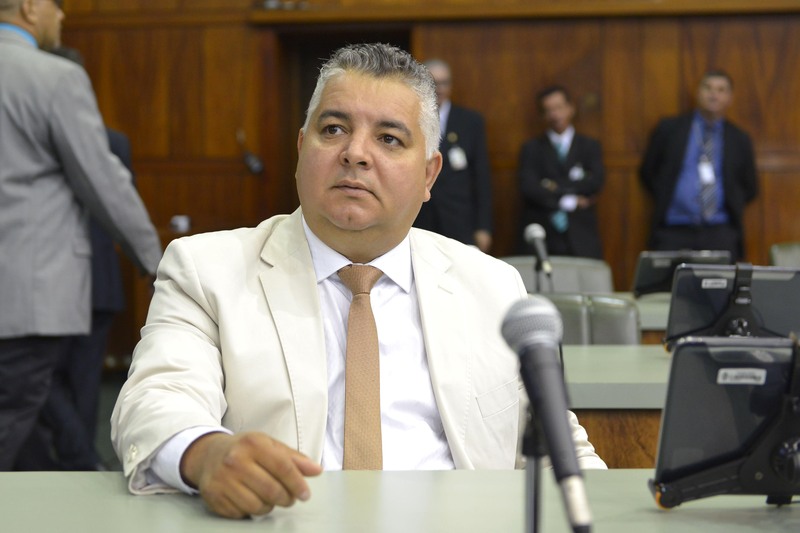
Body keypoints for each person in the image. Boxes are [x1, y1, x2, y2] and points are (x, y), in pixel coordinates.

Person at [111, 43, 606, 520]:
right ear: (302, 149)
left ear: (429, 174)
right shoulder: (208, 270)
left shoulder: (491, 286)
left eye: (389, 139)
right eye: (333, 129)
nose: (355, 153)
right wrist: (205, 454)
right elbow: (156, 398)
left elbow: (559, 448)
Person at [0, 0, 162, 471]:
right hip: (29, 297)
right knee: (13, 423)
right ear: (30, 7)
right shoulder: (54, 78)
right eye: (57, 5)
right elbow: (103, 182)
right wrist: (156, 261)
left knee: (27, 433)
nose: (63, 17)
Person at [640, 70, 758, 260]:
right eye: (708, 88)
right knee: (666, 279)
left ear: (730, 98)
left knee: (723, 279)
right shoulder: (669, 129)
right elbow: (648, 172)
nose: (713, 94)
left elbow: (750, 186)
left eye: (721, 90)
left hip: (720, 230)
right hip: (674, 228)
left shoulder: (739, 138)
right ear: (698, 92)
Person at [412, 59, 493, 253]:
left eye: (444, 83)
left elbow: (481, 177)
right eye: (433, 83)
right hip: (419, 217)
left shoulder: (470, 121)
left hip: (459, 219)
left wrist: (483, 226)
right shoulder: (411, 118)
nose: (439, 89)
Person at [516, 85, 605, 259]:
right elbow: (529, 188)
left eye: (559, 107)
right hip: (543, 234)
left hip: (581, 237)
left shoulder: (589, 146)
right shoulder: (531, 148)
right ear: (543, 115)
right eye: (549, 110)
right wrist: (569, 200)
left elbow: (595, 182)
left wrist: (551, 186)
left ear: (571, 108)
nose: (555, 115)